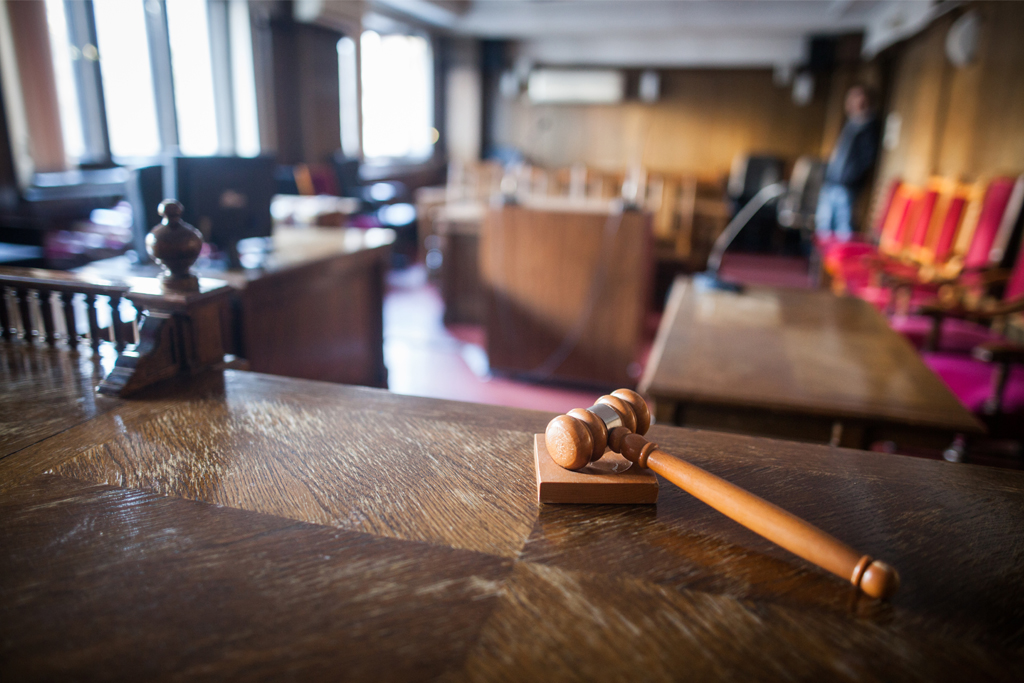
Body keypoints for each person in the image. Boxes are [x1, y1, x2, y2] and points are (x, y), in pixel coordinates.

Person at [815, 84, 881, 242]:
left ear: (866, 100)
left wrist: (851, 177)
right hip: (831, 182)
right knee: (823, 229)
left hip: (847, 186)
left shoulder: (870, 125)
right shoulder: (850, 123)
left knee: (843, 230)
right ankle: (822, 266)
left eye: (857, 97)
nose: (852, 102)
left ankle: (836, 264)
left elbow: (867, 158)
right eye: (850, 98)